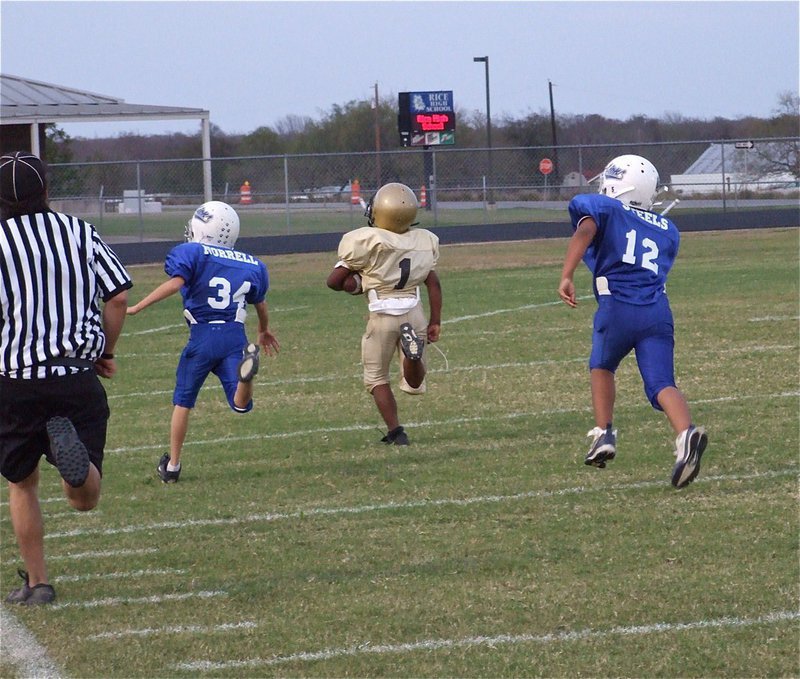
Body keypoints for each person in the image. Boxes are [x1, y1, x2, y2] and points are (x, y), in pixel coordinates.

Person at [0, 151, 132, 605]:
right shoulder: (79, 232)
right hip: (76, 373)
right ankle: (75, 464)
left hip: (15, 377)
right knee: (83, 499)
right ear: (47, 191)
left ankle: (38, 583)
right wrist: (105, 351)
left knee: (21, 483)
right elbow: (117, 296)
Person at [557, 154, 708, 489]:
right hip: (658, 313)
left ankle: (604, 433)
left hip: (618, 307)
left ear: (617, 182)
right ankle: (686, 435)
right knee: (661, 384)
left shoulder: (603, 208)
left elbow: (586, 230)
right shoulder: (668, 229)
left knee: (602, 365)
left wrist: (567, 274)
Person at [126, 201, 279, 482]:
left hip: (203, 337)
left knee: (183, 401)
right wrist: (264, 331)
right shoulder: (252, 264)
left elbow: (174, 284)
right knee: (240, 404)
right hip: (235, 337)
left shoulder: (192, 252)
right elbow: (261, 303)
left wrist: (138, 307)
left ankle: (172, 466)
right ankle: (246, 378)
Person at [327, 182, 442, 445]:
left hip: (382, 313)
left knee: (376, 378)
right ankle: (412, 361)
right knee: (413, 385)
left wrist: (356, 284)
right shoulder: (424, 240)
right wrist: (436, 321)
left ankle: (396, 432)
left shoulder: (367, 241)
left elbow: (333, 281)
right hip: (414, 311)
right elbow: (433, 283)